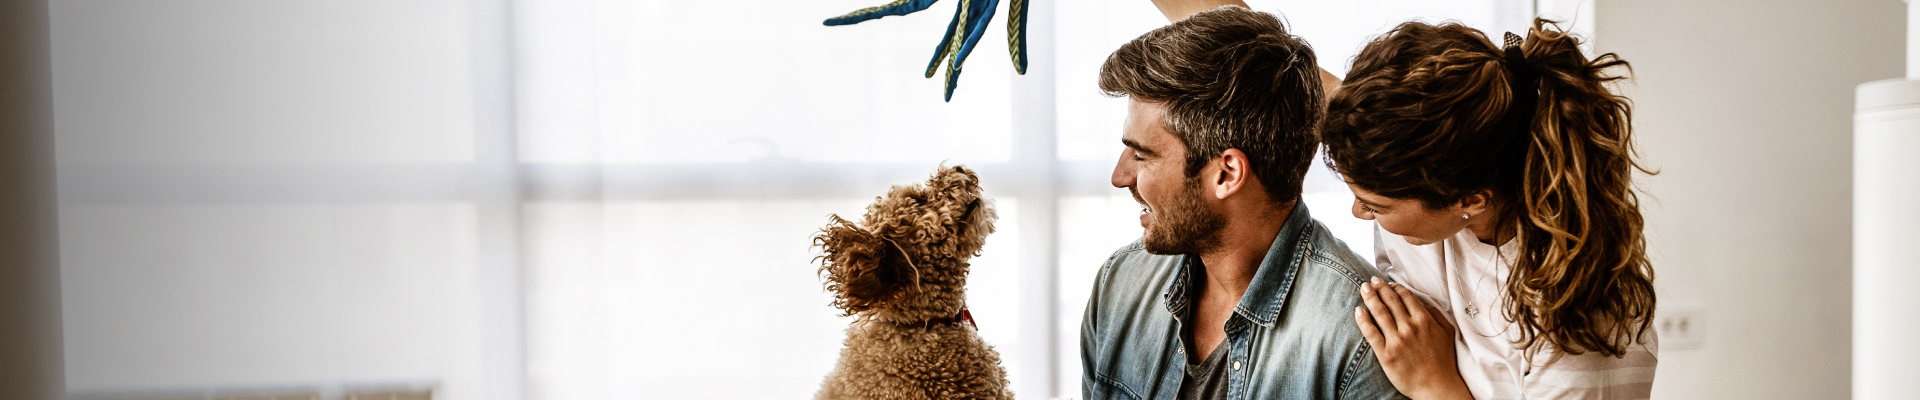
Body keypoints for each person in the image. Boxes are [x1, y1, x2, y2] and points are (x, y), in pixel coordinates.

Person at [1322, 19, 1661, 399]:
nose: (1359, 212)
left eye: (1375, 205)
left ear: (1469, 200)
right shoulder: (1403, 157)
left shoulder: (1576, 322)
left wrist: (1433, 384)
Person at [1078, 5, 1405, 400]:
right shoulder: (1121, 282)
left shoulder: (1360, 338)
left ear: (1228, 173)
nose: (1120, 177)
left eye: (1142, 155)